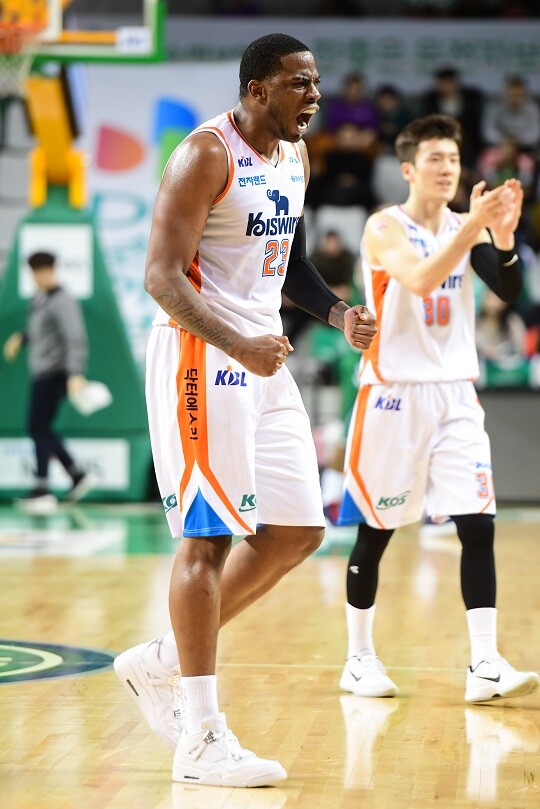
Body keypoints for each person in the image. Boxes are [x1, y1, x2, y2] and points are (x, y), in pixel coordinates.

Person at [113, 33, 377, 788]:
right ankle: (200, 737)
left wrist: (338, 315)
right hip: (202, 356)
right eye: (300, 83)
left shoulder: (295, 157)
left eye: (316, 82)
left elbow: (288, 264)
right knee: (209, 540)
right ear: (257, 89)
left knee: (297, 530)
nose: (315, 95)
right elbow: (161, 276)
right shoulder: (205, 154)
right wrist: (239, 343)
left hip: (262, 360)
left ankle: (163, 658)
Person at [337, 114, 540, 704]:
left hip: (455, 393)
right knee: (376, 531)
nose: (447, 168)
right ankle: (358, 658)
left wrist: (502, 238)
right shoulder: (384, 227)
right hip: (392, 394)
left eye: (453, 158)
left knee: (478, 524)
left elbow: (509, 291)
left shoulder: (463, 227)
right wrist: (474, 226)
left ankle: (485, 663)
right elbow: (423, 279)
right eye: (435, 159)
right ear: (408, 169)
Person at [3, 251, 96, 513]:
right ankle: (76, 474)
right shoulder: (40, 299)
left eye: (39, 271)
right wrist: (22, 338)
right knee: (40, 428)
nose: (36, 277)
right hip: (41, 371)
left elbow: (75, 337)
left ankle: (42, 489)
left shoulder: (63, 300)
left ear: (50, 270)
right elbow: (41, 332)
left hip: (55, 373)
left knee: (38, 426)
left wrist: (75, 373)